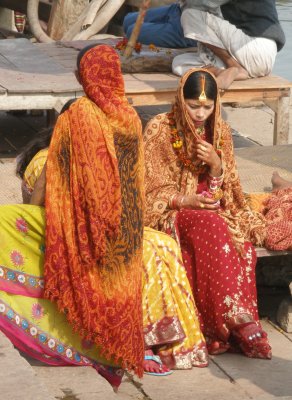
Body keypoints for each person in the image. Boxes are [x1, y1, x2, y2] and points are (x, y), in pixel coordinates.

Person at [0, 45, 208, 389]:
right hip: (123, 236)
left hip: (83, 229)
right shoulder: (130, 119)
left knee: (6, 222)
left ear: (84, 76)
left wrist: (37, 215)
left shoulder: (78, 114)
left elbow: (52, 176)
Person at [143, 67, 272, 359]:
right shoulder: (160, 129)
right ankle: (234, 321)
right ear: (180, 100)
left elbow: (226, 192)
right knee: (210, 227)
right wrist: (186, 199)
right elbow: (147, 191)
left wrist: (216, 166)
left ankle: (232, 320)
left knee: (239, 240)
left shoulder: (221, 131)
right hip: (171, 212)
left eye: (207, 106)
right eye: (193, 106)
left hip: (212, 210)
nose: (201, 113)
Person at [172, 0, 286, 89]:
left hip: (255, 47)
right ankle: (222, 72)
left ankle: (233, 65)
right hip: (256, 59)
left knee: (190, 15)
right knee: (178, 64)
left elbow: (197, 4)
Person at [123, 2, 197, 48]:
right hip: (179, 9)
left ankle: (192, 42)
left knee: (132, 31)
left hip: (190, 27)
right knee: (127, 20)